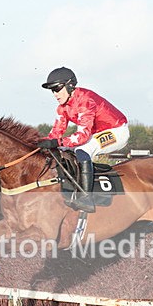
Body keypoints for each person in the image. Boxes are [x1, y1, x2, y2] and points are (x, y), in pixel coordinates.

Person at [38, 67, 129, 212]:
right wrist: (38, 143)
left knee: (82, 149)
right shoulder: (62, 108)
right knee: (62, 149)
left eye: (57, 88)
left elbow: (82, 136)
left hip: (117, 131)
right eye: (52, 90)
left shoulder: (85, 100)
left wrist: (57, 142)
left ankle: (86, 197)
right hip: (96, 133)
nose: (55, 94)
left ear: (70, 85)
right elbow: (55, 134)